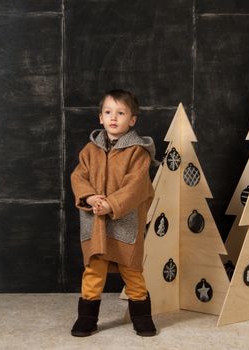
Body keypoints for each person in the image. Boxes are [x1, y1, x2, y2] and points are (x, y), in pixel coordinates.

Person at [70, 89, 157, 337]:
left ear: (132, 119)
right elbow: (79, 176)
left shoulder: (137, 152)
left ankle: (142, 317)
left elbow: (137, 185)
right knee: (94, 269)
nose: (113, 118)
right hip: (96, 222)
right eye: (108, 112)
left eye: (121, 113)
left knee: (131, 270)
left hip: (125, 222)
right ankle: (87, 318)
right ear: (100, 118)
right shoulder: (90, 150)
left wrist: (113, 204)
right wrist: (88, 196)